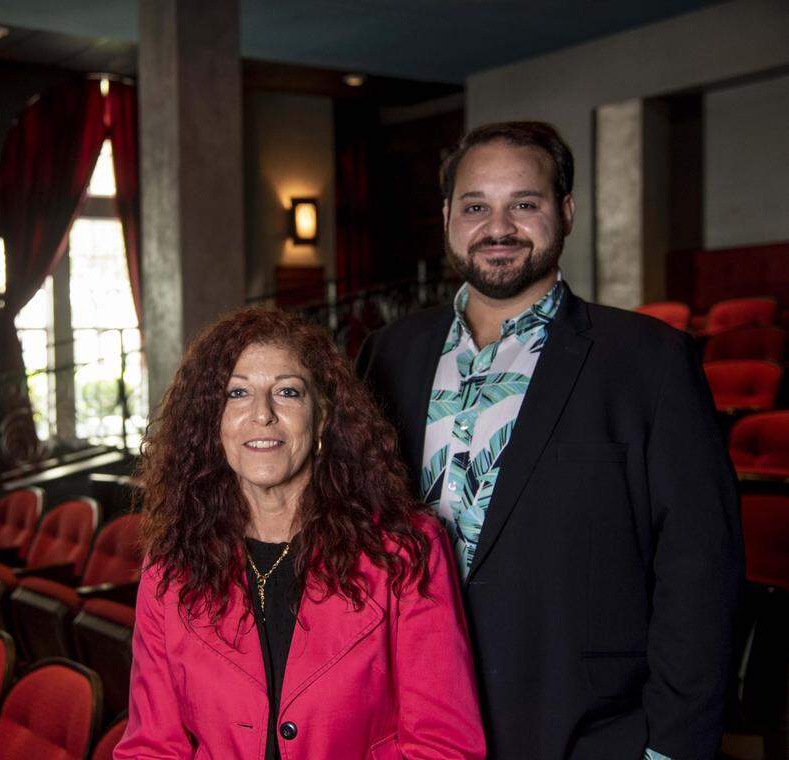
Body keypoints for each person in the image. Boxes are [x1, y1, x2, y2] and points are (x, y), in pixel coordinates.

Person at [358, 121, 743, 760]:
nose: (498, 226)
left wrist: (672, 747)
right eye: (476, 206)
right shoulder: (389, 352)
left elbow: (701, 569)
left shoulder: (649, 361)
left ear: (564, 213)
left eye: (525, 204)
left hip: (584, 727)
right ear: (449, 217)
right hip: (409, 719)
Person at [115, 307, 485, 759]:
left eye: (287, 391)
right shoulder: (171, 564)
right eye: (237, 393)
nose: (263, 415)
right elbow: (151, 746)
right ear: (212, 423)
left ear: (323, 414)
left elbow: (444, 746)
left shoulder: (408, 550)